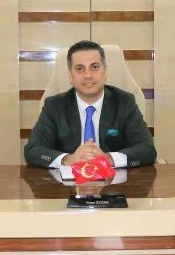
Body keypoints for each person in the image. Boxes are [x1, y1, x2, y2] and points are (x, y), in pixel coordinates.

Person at [24, 40, 157, 169]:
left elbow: (147, 150)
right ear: (70, 75)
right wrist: (68, 159)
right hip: (67, 182)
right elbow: (32, 150)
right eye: (79, 68)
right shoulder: (54, 106)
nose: (88, 75)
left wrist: (108, 158)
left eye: (94, 67)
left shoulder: (124, 102)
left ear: (105, 71)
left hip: (114, 181)